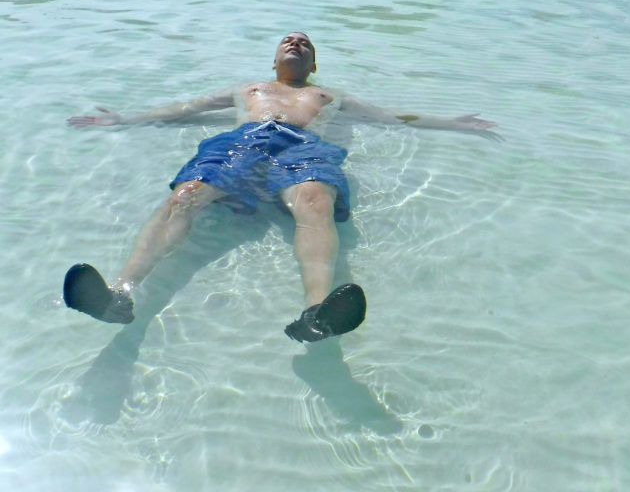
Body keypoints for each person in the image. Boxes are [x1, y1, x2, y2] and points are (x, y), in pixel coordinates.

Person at [63, 33, 496, 342]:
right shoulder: (247, 89)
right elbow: (186, 109)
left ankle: (316, 313)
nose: (296, 44)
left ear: (313, 64)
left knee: (315, 201)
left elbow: (392, 117)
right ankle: (117, 295)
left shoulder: (329, 95)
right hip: (241, 142)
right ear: (273, 61)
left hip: (302, 146)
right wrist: (126, 119)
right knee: (185, 196)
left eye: (305, 44)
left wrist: (451, 124)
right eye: (288, 42)